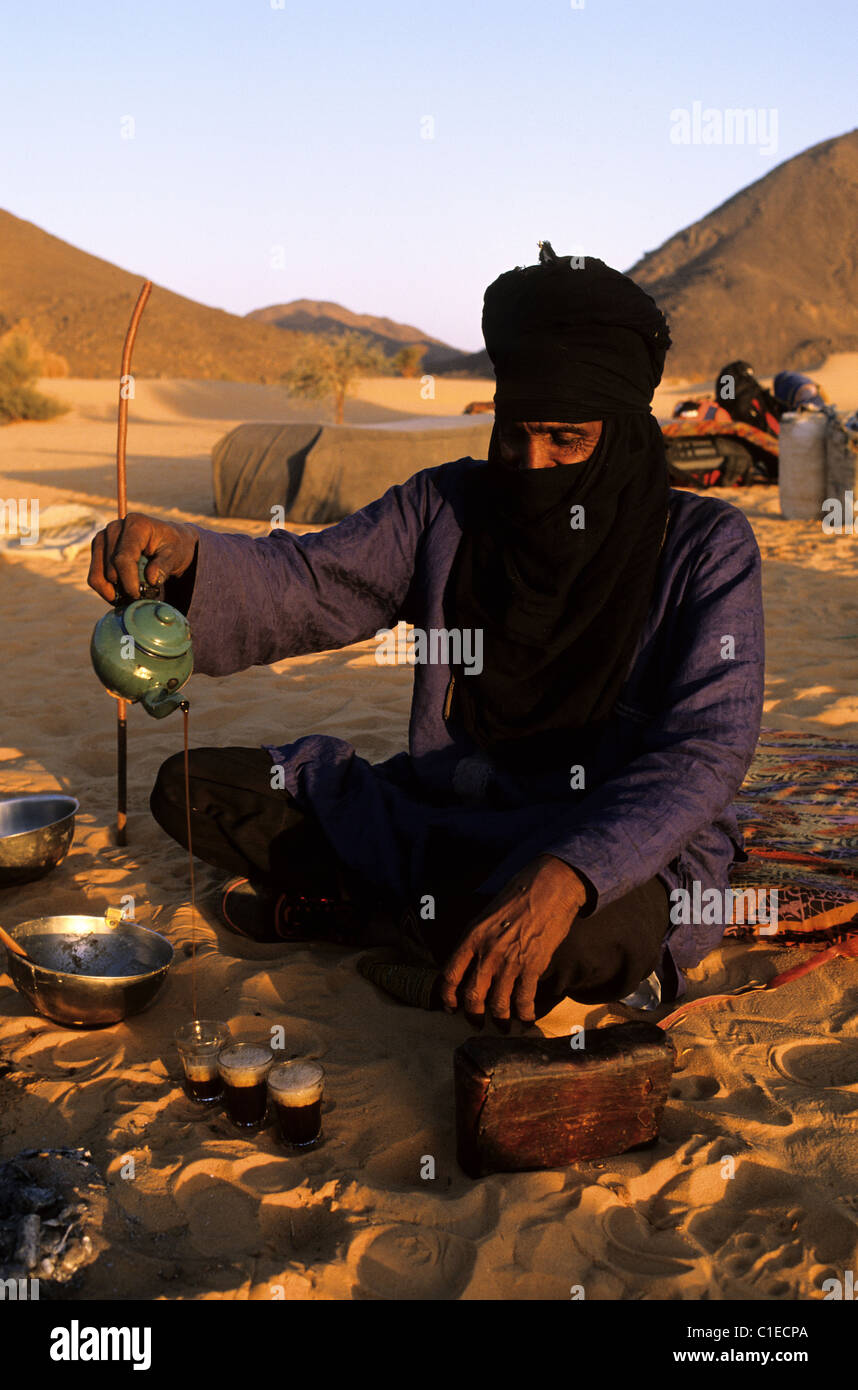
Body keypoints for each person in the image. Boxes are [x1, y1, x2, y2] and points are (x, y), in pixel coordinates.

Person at [87, 245, 765, 1027]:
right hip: (449, 815)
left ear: (620, 434)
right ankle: (421, 925)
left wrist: (568, 873)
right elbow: (310, 583)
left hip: (605, 838)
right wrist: (191, 556)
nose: (531, 463)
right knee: (194, 792)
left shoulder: (704, 545)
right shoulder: (447, 509)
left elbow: (706, 752)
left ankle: (374, 919)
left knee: (584, 945)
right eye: (514, 436)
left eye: (564, 441)